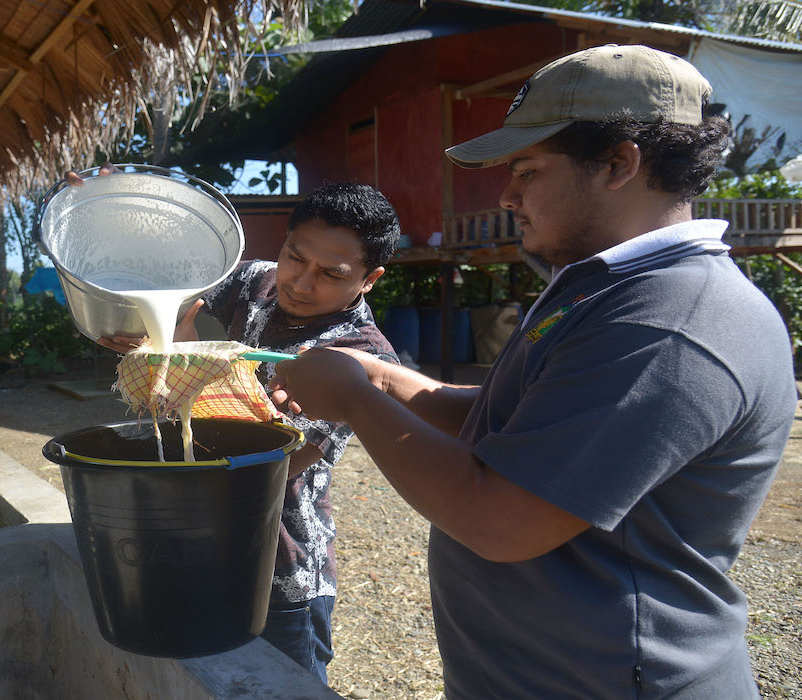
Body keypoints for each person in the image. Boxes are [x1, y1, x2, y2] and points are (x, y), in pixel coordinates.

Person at [267, 45, 796, 698]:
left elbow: (502, 521)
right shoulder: (604, 285)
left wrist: (354, 398)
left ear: (619, 163)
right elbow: (529, 418)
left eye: (528, 170)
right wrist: (387, 380)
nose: (507, 194)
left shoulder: (673, 320)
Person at [96, 181, 406, 683]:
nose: (300, 283)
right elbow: (173, 269)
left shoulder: (359, 357)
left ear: (370, 279)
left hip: (280, 564)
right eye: (293, 256)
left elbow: (271, 465)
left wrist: (185, 361)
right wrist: (112, 207)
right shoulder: (260, 280)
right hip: (202, 542)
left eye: (331, 274)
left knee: (286, 686)